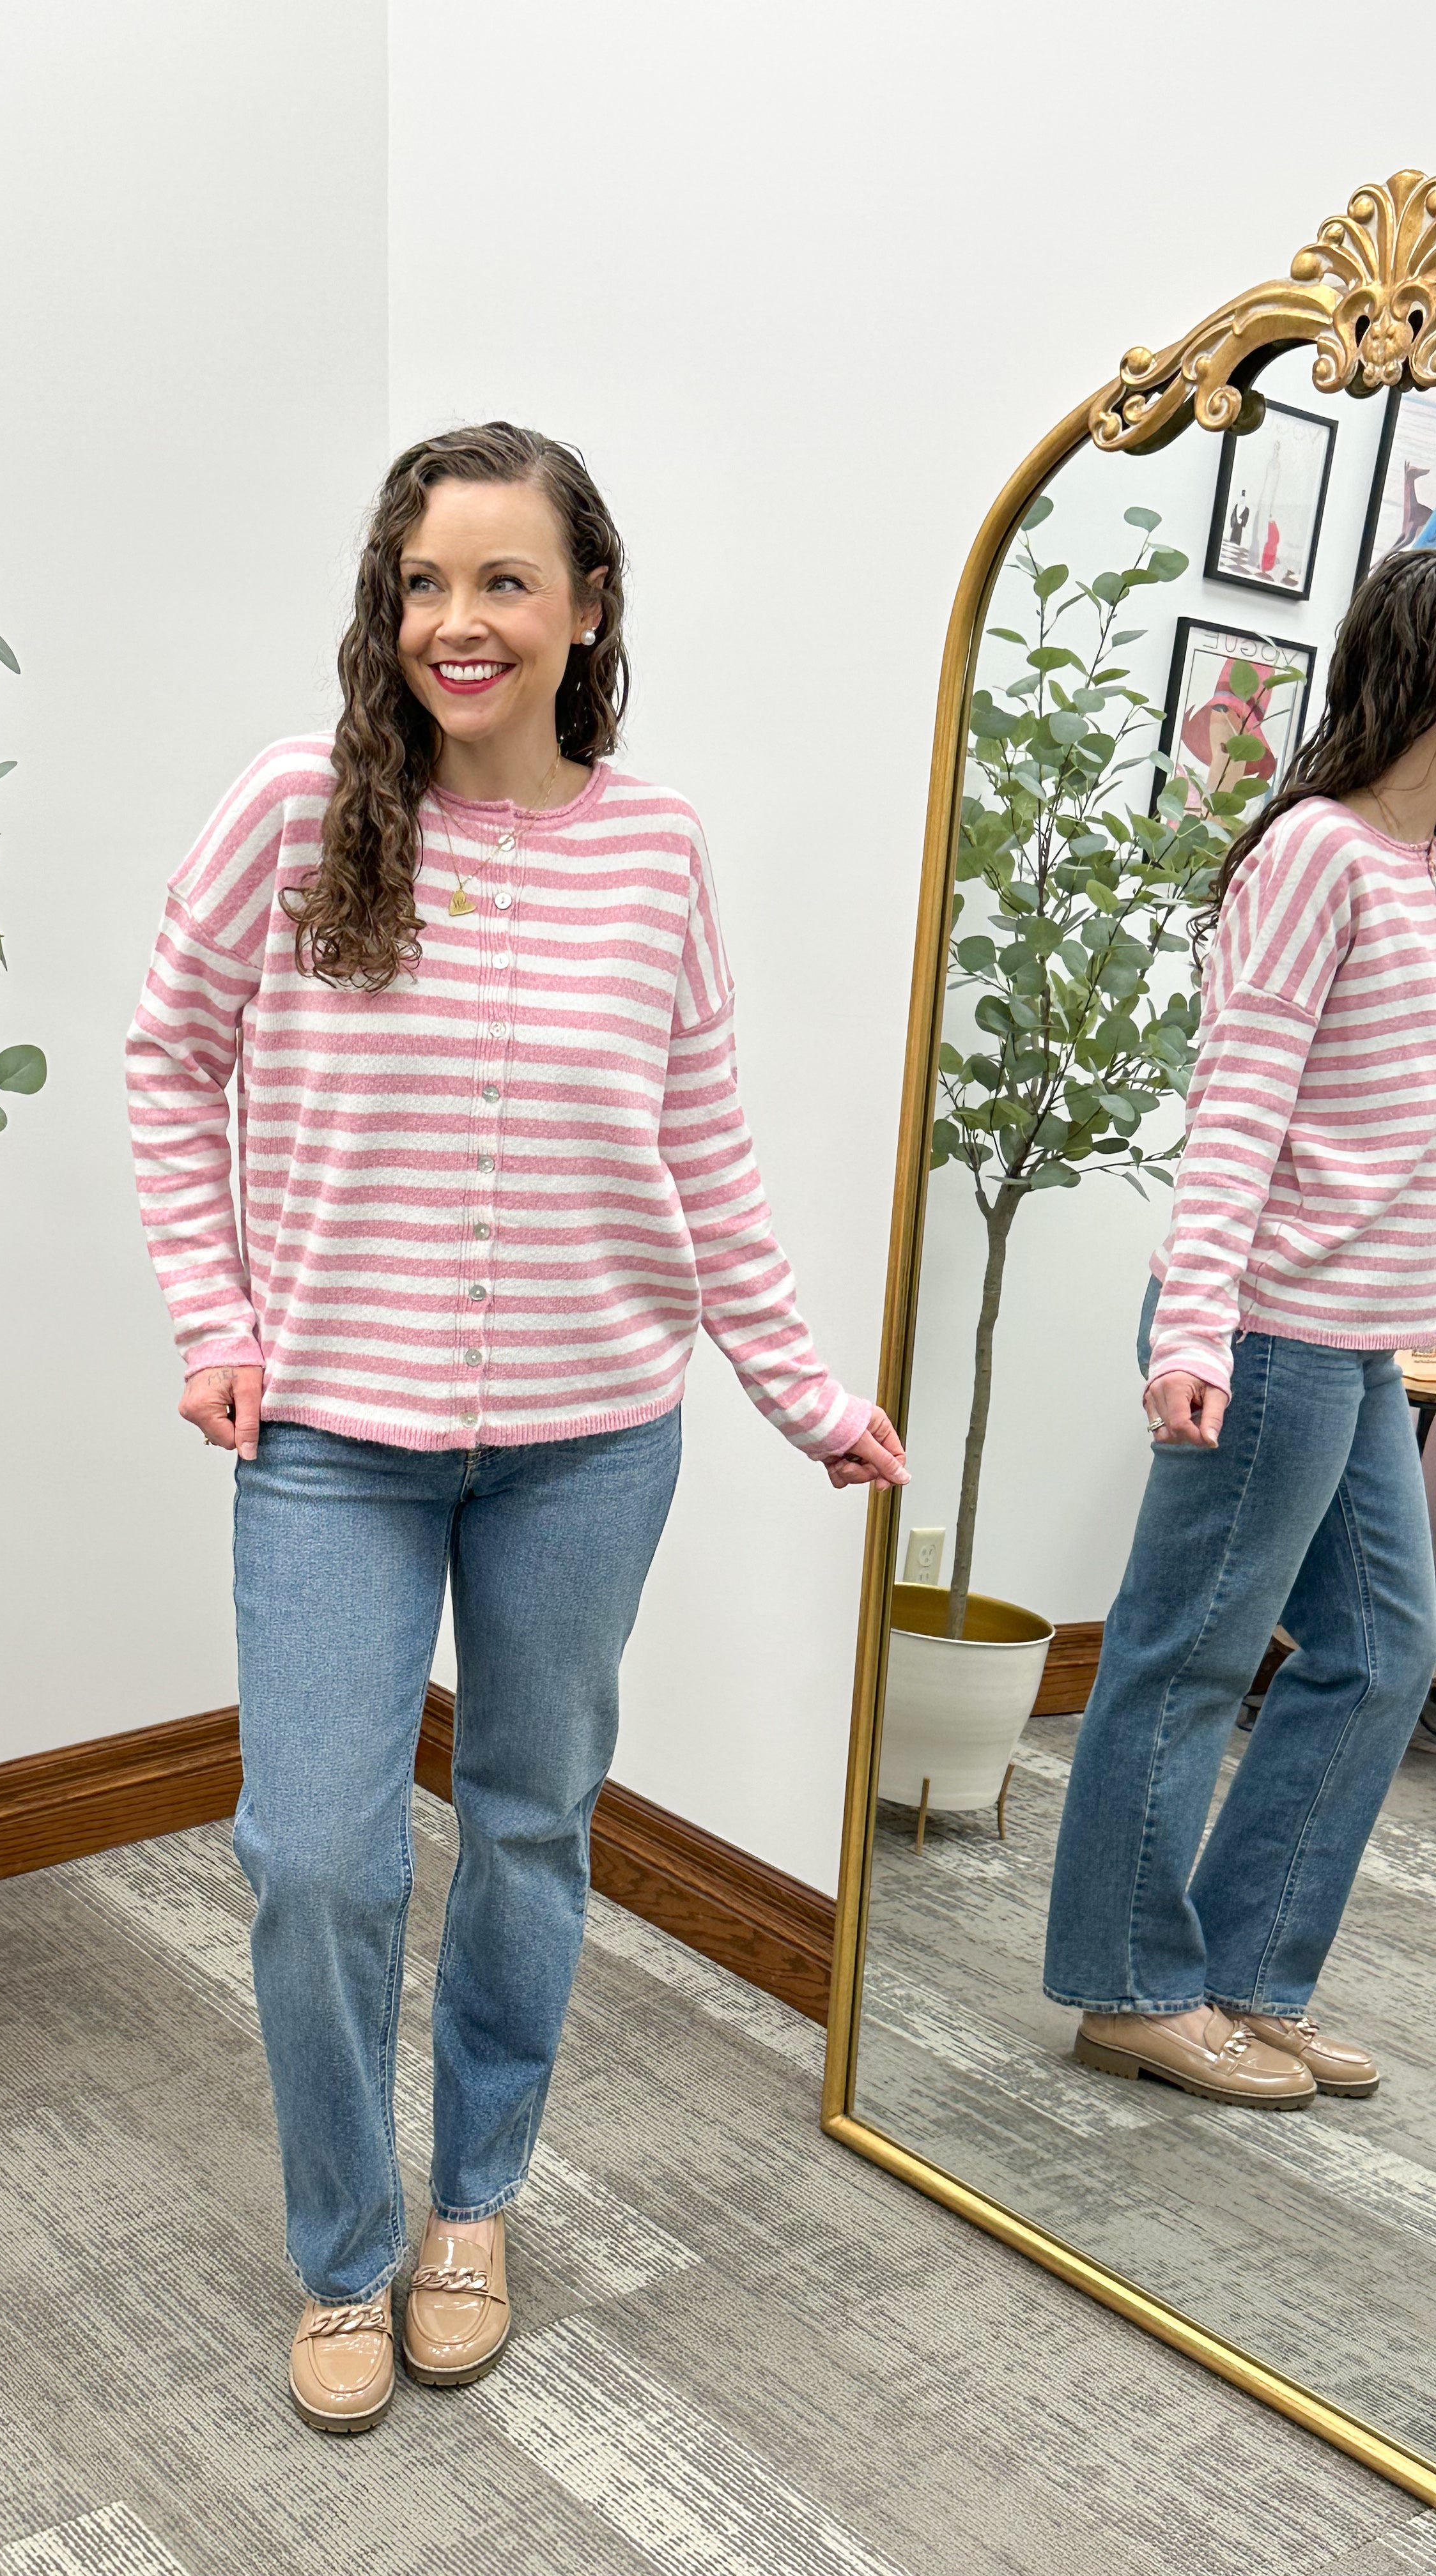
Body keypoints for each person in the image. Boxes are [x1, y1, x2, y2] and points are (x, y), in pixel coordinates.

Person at [124, 422, 906, 2433]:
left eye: (500, 583)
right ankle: (341, 2248)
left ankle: (475, 2200)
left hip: (589, 1439)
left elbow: (703, 1149)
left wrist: (803, 1393)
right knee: (316, 1857)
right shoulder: (302, 809)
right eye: (421, 586)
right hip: (331, 1439)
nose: (455, 624)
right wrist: (216, 1315)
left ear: (584, 609)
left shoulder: (656, 853)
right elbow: (166, 1055)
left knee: (536, 1824)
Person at [1042, 548, 1436, 2108]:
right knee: (1187, 1655)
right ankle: (1131, 1983)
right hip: (1260, 1322)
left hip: (1350, 1338)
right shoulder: (1315, 858)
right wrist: (1189, 1331)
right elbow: (1239, 1117)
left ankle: (1251, 1973)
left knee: (1383, 1650)